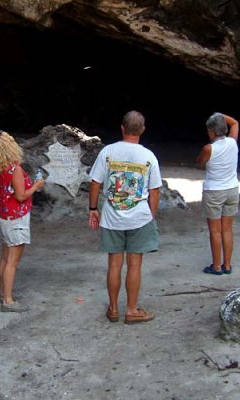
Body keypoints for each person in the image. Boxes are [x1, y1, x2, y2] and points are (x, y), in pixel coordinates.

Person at [88, 111, 162, 324]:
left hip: (112, 217)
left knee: (114, 264)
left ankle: (113, 309)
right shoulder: (148, 156)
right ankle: (131, 309)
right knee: (135, 265)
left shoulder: (108, 151)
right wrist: (151, 215)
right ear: (142, 130)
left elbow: (95, 181)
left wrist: (93, 208)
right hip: (139, 218)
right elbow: (154, 190)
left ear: (122, 128)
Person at [0, 130, 44, 312]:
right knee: (13, 261)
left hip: (4, 216)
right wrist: (36, 186)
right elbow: (20, 196)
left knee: (4, 258)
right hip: (16, 219)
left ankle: (3, 293)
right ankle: (8, 301)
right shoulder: (14, 169)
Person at [196, 113, 239, 275]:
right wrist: (221, 116)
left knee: (215, 231)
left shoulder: (209, 148)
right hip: (232, 189)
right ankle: (227, 265)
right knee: (227, 229)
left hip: (214, 191)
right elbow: (234, 123)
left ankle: (216, 267)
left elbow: (200, 162)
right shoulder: (232, 142)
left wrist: (217, 116)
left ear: (212, 132)